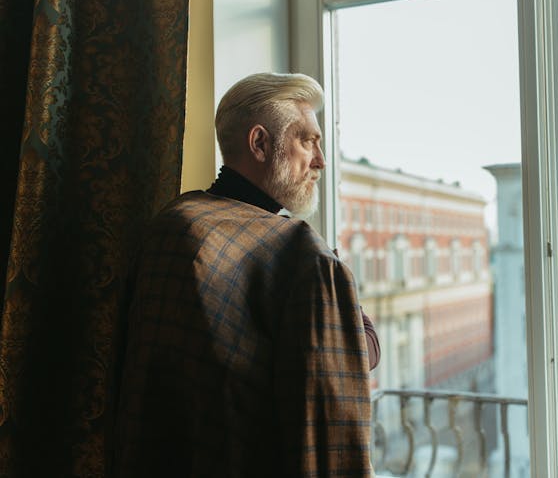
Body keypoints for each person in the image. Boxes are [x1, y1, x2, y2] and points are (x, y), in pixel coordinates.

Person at [114, 73, 378, 477]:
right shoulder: (297, 253)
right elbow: (346, 376)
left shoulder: (169, 225)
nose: (320, 160)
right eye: (308, 140)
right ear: (259, 144)